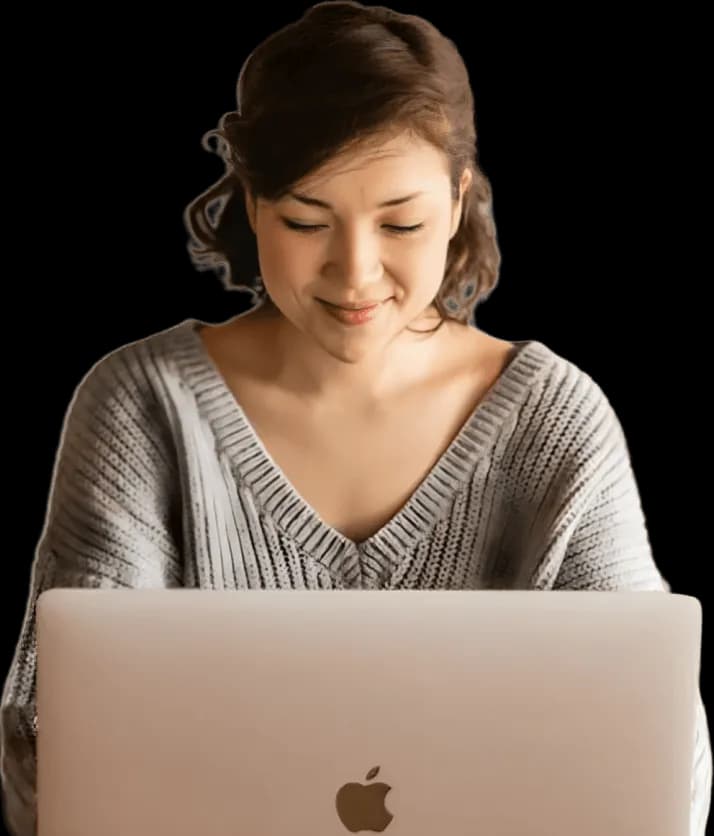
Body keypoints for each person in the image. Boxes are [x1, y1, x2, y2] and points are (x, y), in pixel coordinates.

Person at [1, 2, 711, 834]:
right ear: (253, 205)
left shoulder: (556, 420)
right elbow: (53, 762)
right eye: (307, 221)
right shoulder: (142, 406)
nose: (355, 273)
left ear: (457, 202)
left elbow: (658, 767)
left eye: (401, 223)